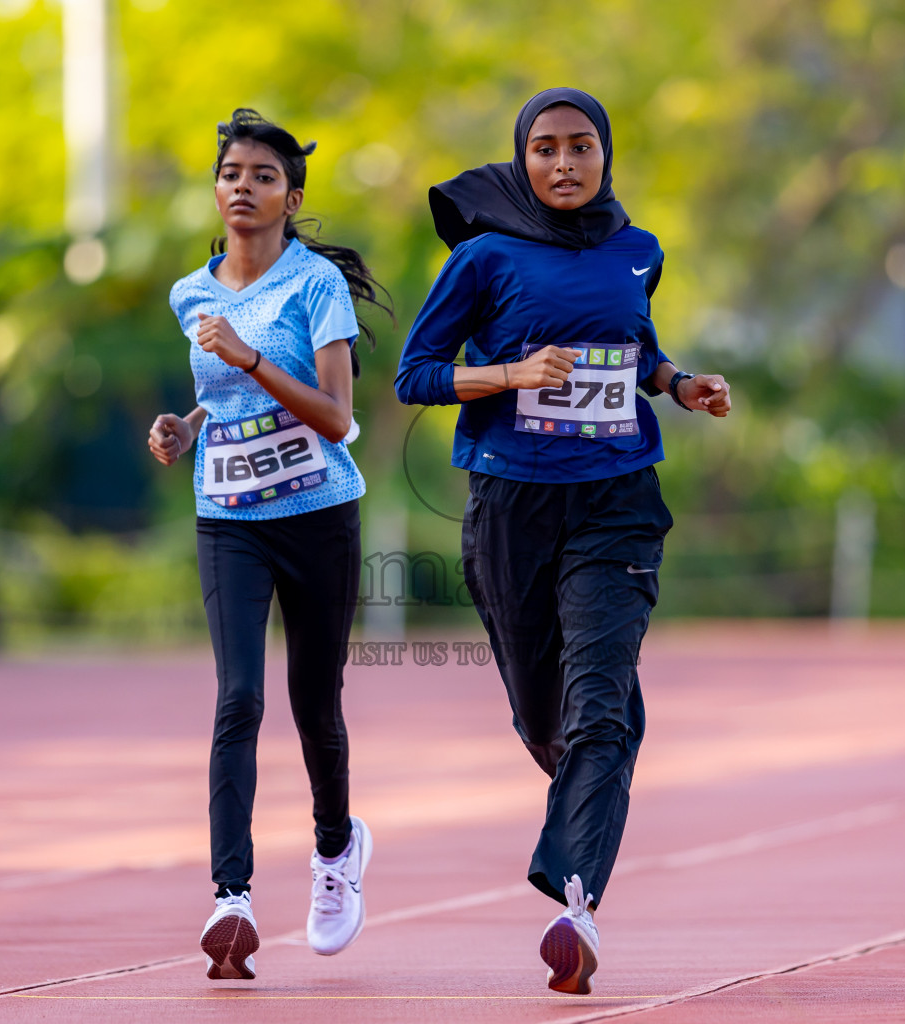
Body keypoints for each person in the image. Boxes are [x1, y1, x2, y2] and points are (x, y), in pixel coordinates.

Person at [394, 87, 731, 994]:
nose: (565, 165)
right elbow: (414, 375)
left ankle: (573, 905)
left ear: (606, 155)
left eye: (581, 147)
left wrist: (679, 381)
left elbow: (634, 345)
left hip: (618, 500)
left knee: (599, 707)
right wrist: (511, 372)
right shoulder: (484, 256)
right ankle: (600, 756)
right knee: (552, 718)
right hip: (512, 505)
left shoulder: (637, 251)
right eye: (546, 149)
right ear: (522, 159)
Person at [148, 109, 390, 981]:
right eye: (230, 174)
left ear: (291, 195)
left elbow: (337, 417)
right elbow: (215, 395)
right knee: (237, 698)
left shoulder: (315, 283)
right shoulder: (191, 291)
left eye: (261, 175)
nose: (242, 187)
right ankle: (232, 897)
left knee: (313, 704)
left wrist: (250, 358)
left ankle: (336, 850)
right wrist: (185, 426)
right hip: (229, 518)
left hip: (319, 514)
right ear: (215, 191)